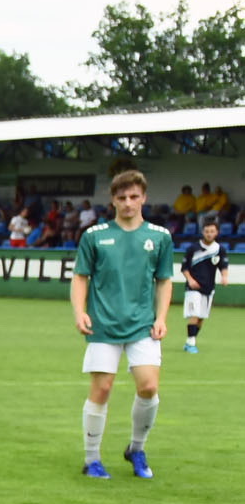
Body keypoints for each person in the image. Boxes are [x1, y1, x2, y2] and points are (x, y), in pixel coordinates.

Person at [71, 169, 172, 480]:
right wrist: (79, 311)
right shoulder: (94, 236)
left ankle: (136, 449)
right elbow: (80, 277)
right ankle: (92, 460)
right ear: (113, 200)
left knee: (149, 387)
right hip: (103, 324)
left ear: (143, 198)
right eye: (122, 197)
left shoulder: (160, 237)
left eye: (134, 197)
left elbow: (165, 280)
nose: (128, 203)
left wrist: (161, 318)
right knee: (102, 389)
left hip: (142, 325)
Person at [182, 217, 228, 355]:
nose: (209, 234)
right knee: (195, 314)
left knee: (201, 317)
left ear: (217, 233)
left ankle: (191, 340)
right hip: (193, 288)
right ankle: (191, 343)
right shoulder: (193, 248)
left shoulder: (219, 249)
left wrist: (225, 277)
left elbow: (223, 266)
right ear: (202, 232)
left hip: (209, 288)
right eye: (207, 231)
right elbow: (184, 267)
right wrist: (190, 280)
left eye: (212, 231)